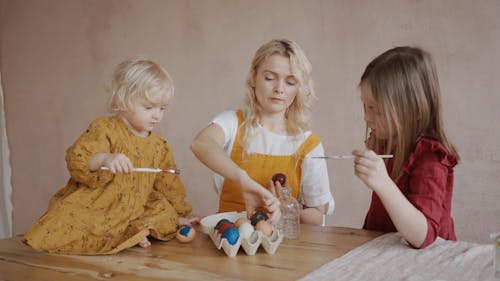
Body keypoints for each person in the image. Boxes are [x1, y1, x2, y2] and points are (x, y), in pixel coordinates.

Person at [23, 59, 198, 255]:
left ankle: (134, 232)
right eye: (149, 108)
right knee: (68, 218)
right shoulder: (105, 128)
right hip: (104, 203)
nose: (157, 115)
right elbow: (78, 158)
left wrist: (179, 213)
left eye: (162, 108)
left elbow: (168, 182)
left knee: (164, 214)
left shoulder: (159, 145)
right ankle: (129, 234)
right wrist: (106, 159)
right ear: (121, 101)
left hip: (138, 205)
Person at [191, 39, 335, 225]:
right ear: (253, 78)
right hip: (230, 240)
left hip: (286, 247)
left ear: (298, 88)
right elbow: (201, 143)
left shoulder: (308, 145)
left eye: (290, 82)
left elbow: (316, 217)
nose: (279, 89)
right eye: (269, 78)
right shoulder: (232, 123)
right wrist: (244, 181)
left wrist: (285, 208)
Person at [352, 46, 459, 249]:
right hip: (387, 254)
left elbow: (422, 236)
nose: (367, 117)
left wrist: (383, 183)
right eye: (365, 106)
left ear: (415, 111)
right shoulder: (388, 141)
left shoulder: (431, 158)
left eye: (377, 110)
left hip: (428, 262)